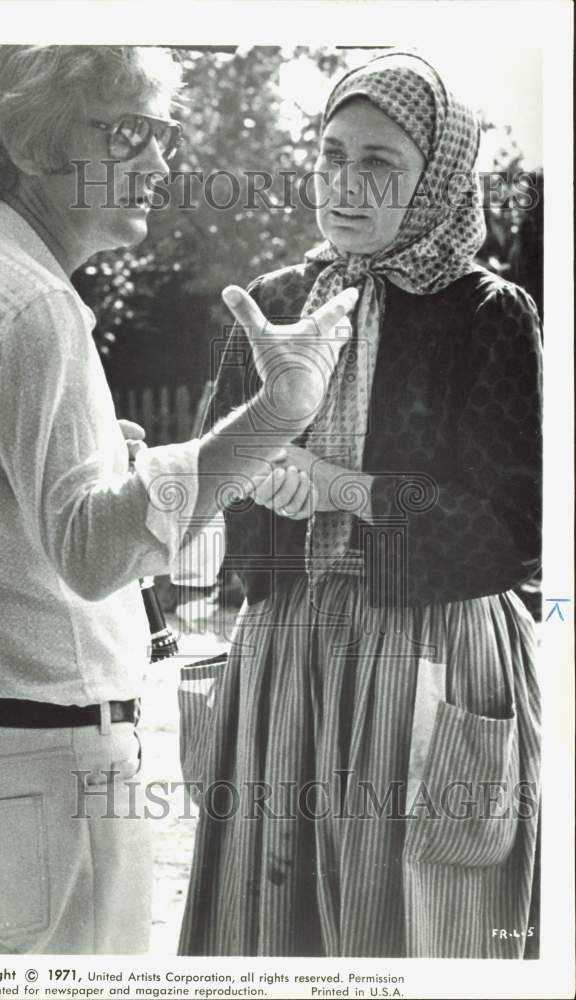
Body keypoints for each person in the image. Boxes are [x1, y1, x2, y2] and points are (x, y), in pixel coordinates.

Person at [0, 44, 357, 955]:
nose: (161, 161)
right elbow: (97, 554)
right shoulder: (33, 307)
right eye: (131, 132)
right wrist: (276, 413)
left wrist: (59, 469)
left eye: (164, 133)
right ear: (31, 141)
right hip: (39, 772)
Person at [179, 52, 542, 959]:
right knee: (277, 922)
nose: (345, 184)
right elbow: (206, 496)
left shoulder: (486, 314)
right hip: (286, 650)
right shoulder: (272, 303)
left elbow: (516, 533)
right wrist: (257, 477)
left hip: (430, 646)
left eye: (380, 162)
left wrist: (342, 488)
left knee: (423, 919)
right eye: (331, 154)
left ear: (438, 178)